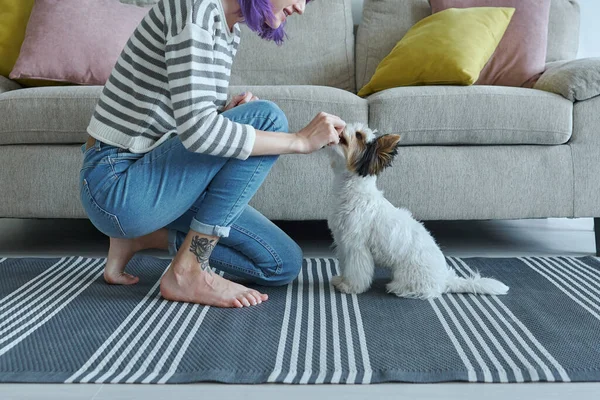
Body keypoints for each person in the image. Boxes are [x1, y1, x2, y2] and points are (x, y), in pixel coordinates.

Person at [79, 0, 345, 309]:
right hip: (116, 182)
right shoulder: (195, 9)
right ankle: (188, 270)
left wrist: (227, 113)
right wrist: (299, 141)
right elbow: (199, 133)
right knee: (268, 119)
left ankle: (142, 238)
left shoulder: (228, 29)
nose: (301, 8)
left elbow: (188, 122)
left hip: (153, 179)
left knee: (282, 263)